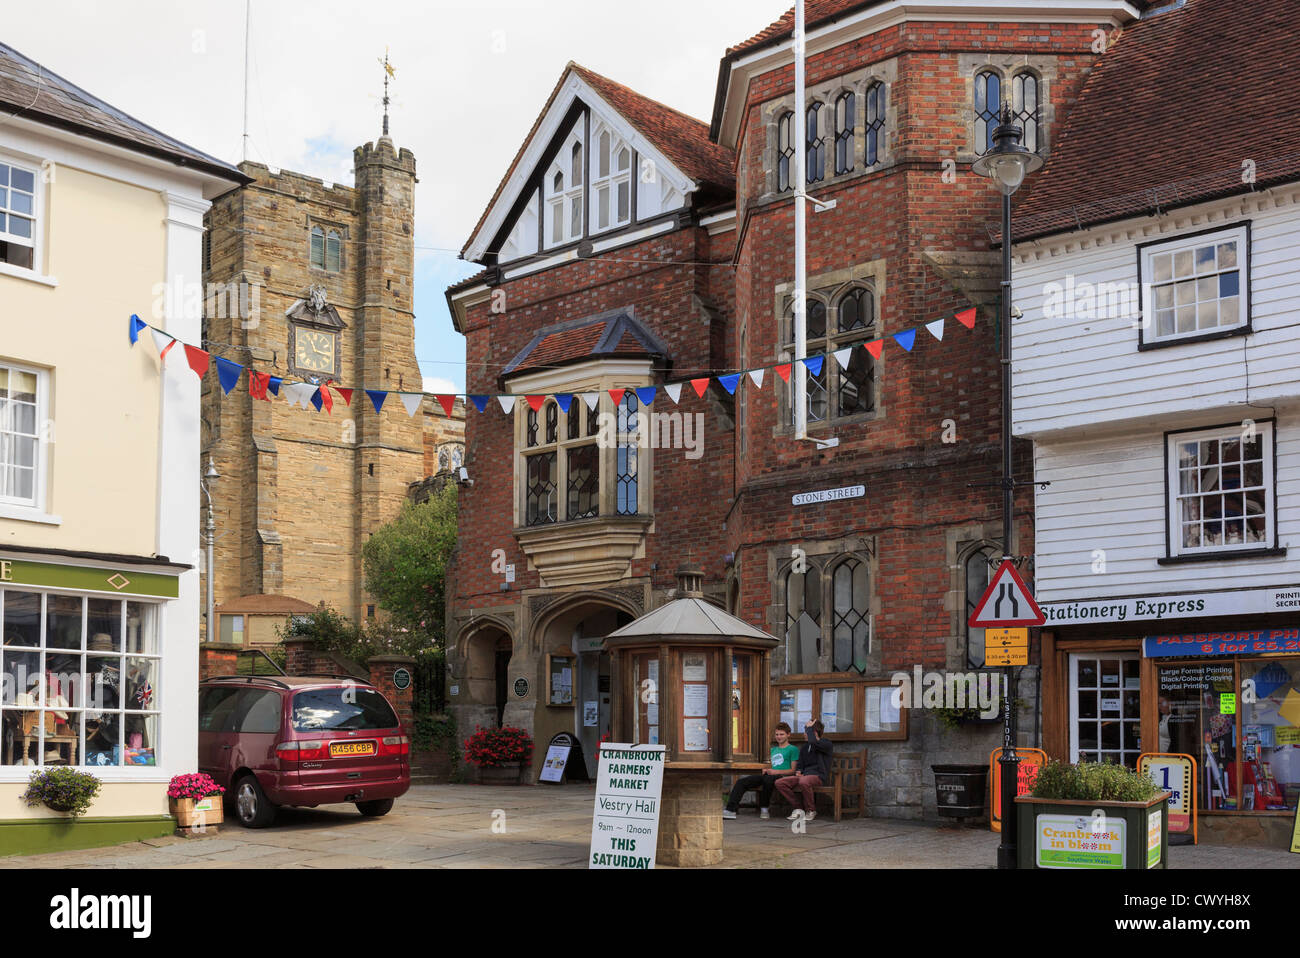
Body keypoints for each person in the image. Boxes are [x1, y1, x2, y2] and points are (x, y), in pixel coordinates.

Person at [722, 722, 798, 820]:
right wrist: (765, 768)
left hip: (782, 777)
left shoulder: (793, 749)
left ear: (788, 735)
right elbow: (767, 764)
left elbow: (793, 770)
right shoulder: (772, 750)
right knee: (742, 782)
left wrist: (776, 772)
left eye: (782, 734)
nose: (779, 737)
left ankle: (764, 809)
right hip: (768, 774)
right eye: (777, 734)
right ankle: (730, 810)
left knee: (768, 780)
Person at [776, 718, 833, 821]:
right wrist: (798, 772)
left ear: (814, 732)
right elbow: (800, 764)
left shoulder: (826, 744)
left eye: (806, 732)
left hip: (819, 776)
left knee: (804, 781)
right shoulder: (805, 747)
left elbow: (814, 742)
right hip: (804, 777)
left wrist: (810, 728)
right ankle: (798, 808)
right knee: (780, 783)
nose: (804, 734)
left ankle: (811, 810)